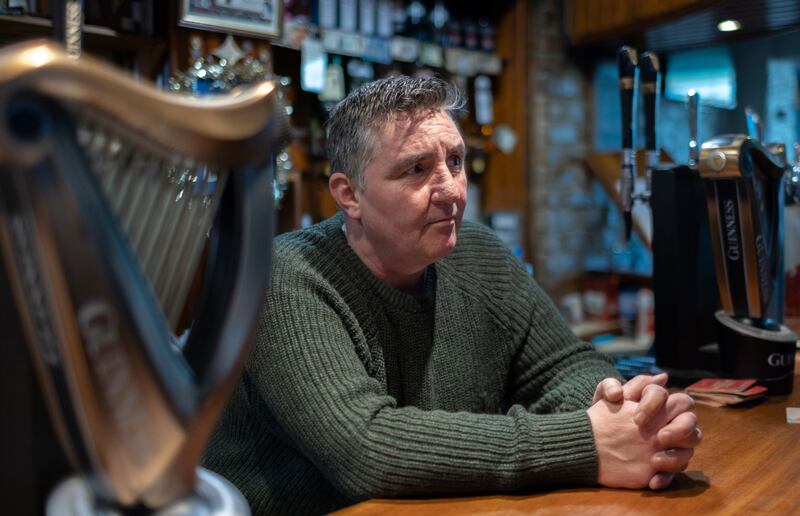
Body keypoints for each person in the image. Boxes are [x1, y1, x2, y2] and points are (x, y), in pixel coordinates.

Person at [203, 75, 701, 514]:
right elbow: (368, 450)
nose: (452, 191)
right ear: (349, 195)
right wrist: (586, 443)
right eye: (416, 169)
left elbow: (565, 365)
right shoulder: (286, 276)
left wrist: (624, 414)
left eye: (456, 161)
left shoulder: (478, 252)